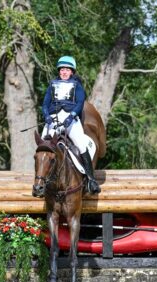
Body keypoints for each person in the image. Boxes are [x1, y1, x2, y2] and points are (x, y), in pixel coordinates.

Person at [41, 56, 101, 194]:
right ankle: (41, 181)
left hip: (70, 119)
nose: (64, 72)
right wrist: (47, 117)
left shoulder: (76, 85)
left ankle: (91, 180)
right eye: (62, 69)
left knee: (81, 144)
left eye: (67, 70)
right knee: (42, 146)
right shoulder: (52, 84)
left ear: (72, 72)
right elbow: (45, 104)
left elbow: (80, 103)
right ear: (59, 71)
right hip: (53, 118)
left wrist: (72, 116)